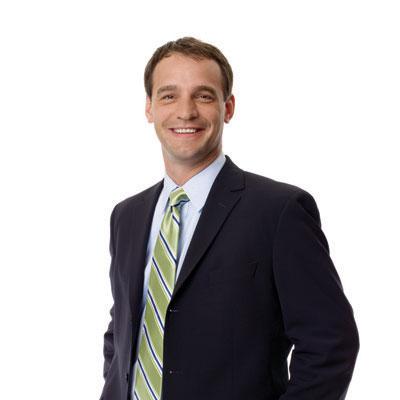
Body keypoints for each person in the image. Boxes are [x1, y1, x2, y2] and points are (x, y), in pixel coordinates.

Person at [100, 37, 359, 400]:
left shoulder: (279, 211)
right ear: (149, 108)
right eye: (169, 95)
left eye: (203, 96)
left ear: (228, 107)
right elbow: (123, 331)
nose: (185, 111)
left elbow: (330, 343)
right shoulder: (127, 216)